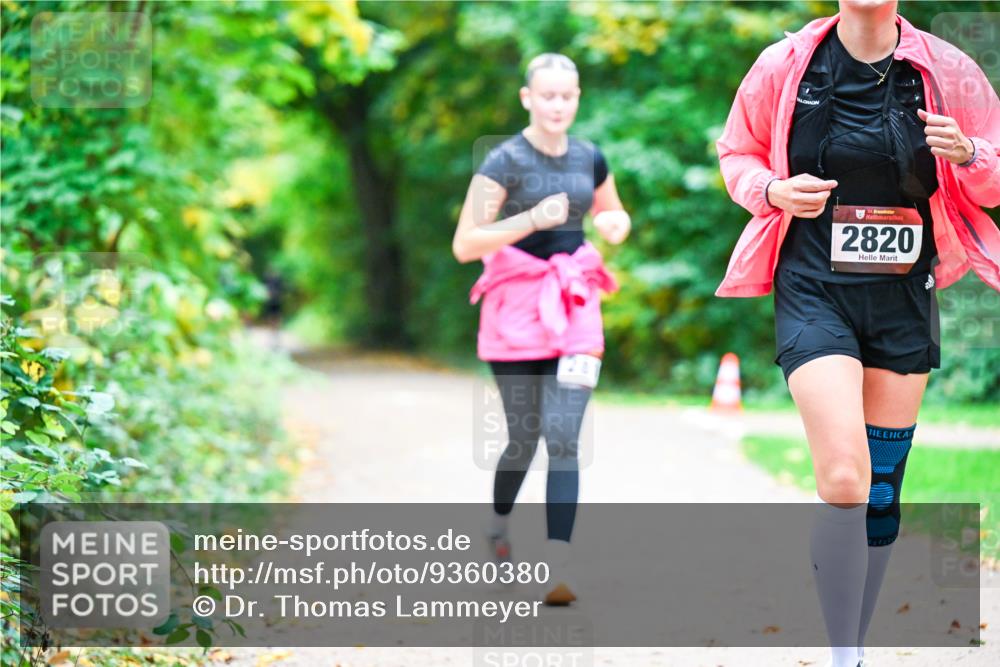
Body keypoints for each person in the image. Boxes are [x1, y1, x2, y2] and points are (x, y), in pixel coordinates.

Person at [716, 1, 999, 665]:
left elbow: (993, 175)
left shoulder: (948, 72)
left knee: (881, 486)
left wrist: (971, 152)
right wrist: (772, 190)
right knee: (844, 476)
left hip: (902, 294)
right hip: (814, 288)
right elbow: (737, 154)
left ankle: (854, 636)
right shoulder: (786, 65)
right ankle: (846, 654)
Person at [452, 53, 631, 606]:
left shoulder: (590, 157)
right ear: (528, 98)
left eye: (567, 96)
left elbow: (612, 214)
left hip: (574, 305)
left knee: (563, 437)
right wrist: (530, 219)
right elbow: (465, 245)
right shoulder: (503, 162)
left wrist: (613, 224)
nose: (558, 105)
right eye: (547, 96)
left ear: (577, 98)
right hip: (515, 310)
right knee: (524, 439)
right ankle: (500, 525)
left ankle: (557, 567)